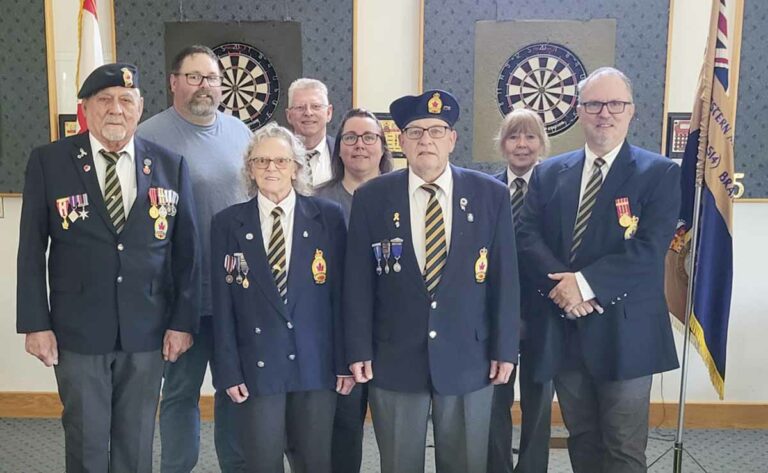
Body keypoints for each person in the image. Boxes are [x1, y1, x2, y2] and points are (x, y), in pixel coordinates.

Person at [16, 63, 200, 473]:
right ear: (85, 108)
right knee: (86, 439)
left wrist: (182, 322)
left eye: (126, 100)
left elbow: (187, 255)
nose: (116, 109)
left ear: (140, 107)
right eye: (105, 100)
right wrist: (35, 324)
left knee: (137, 439)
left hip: (147, 329)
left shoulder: (170, 165)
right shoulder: (50, 161)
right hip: (78, 329)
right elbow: (30, 250)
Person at [343, 89, 520, 473]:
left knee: (465, 464)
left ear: (452, 139)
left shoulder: (490, 195)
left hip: (469, 357)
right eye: (416, 132)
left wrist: (506, 348)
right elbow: (357, 284)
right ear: (402, 141)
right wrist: (357, 348)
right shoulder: (372, 197)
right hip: (395, 357)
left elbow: (505, 280)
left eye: (437, 131)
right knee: (399, 464)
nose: (426, 140)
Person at [517, 67, 681, 473]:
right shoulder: (549, 172)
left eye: (615, 104)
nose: (604, 113)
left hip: (627, 334)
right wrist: (566, 289)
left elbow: (649, 249)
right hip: (567, 327)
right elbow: (527, 234)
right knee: (583, 439)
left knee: (623, 448)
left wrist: (584, 285)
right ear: (579, 111)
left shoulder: (659, 173)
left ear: (631, 111)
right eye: (593, 104)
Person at [211, 123, 354, 473]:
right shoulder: (227, 223)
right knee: (261, 462)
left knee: (315, 462)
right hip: (257, 365)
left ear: (296, 167)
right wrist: (227, 371)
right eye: (261, 161)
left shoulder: (327, 217)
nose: (271, 168)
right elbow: (223, 305)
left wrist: (344, 361)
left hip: (315, 363)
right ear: (250, 169)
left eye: (280, 160)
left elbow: (341, 298)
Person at [137, 44, 251, 473]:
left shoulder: (241, 133)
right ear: (173, 82)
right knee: (180, 392)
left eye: (212, 78)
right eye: (194, 77)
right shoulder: (148, 136)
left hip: (235, 294)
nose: (205, 86)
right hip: (180, 297)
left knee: (235, 389)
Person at [315, 107, 393, 472]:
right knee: (343, 430)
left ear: (383, 146)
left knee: (399, 433)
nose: (359, 145)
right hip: (337, 334)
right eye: (350, 137)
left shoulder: (402, 195)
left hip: (393, 334)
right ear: (339, 147)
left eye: (369, 137)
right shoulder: (317, 202)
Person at [488, 108, 554, 473]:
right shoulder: (486, 189)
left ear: (542, 142)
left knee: (539, 399)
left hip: (545, 309)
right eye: (514, 136)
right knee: (494, 396)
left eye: (530, 136)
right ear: (502, 143)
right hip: (497, 311)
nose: (522, 144)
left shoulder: (557, 187)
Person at [285, 78, 335, 187]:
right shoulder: (276, 155)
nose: (308, 113)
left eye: (316, 106)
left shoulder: (342, 154)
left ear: (329, 113)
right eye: (300, 107)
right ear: (289, 116)